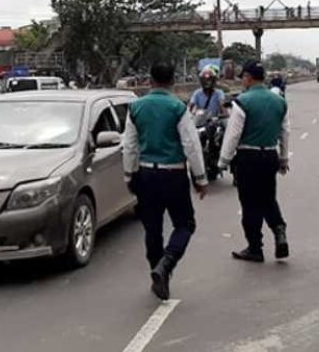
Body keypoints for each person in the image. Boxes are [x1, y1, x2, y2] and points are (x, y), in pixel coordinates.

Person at [123, 63, 208, 300]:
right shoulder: (177, 107)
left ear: (150, 80)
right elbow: (191, 145)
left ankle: (157, 271)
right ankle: (167, 264)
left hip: (146, 174)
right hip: (173, 175)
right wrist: (200, 178)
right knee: (185, 224)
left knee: (152, 228)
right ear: (172, 82)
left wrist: (128, 175)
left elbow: (129, 146)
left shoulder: (135, 107)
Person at [218, 61, 290, 263]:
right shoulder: (279, 101)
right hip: (270, 156)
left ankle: (255, 247)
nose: (242, 81)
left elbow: (233, 135)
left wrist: (223, 161)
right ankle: (279, 230)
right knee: (268, 198)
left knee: (249, 203)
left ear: (248, 77)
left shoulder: (242, 101)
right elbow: (285, 132)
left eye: (243, 77)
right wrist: (283, 158)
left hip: (248, 158)